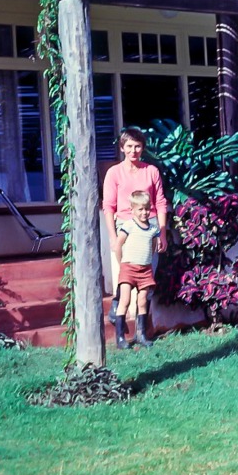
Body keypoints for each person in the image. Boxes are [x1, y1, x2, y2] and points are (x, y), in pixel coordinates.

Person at [103, 127, 168, 343]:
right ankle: (118, 317)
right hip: (125, 228)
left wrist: (162, 233)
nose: (133, 150)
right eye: (129, 146)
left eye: (137, 146)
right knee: (126, 278)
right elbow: (108, 207)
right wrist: (113, 238)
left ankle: (142, 332)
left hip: (149, 229)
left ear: (143, 148)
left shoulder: (151, 171)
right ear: (122, 148)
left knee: (146, 281)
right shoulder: (114, 173)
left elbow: (160, 202)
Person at [113, 190, 161, 349]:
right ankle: (120, 337)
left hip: (145, 270)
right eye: (140, 209)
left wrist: (147, 261)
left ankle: (141, 334)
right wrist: (122, 264)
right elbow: (118, 245)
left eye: (147, 208)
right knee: (124, 301)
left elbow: (153, 246)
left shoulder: (153, 229)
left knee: (142, 302)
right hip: (128, 268)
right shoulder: (129, 226)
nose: (144, 212)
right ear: (132, 210)